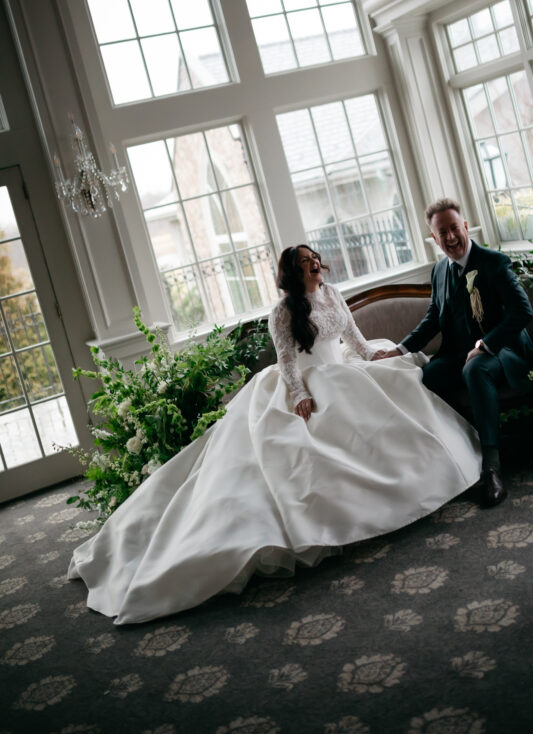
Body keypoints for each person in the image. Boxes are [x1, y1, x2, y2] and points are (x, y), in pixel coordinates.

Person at [68, 245, 481, 624]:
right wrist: (299, 393)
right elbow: (286, 362)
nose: (312, 264)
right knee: (302, 448)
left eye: (313, 257)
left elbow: (356, 342)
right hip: (306, 382)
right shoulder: (283, 312)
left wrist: (385, 355)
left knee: (398, 390)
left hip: (344, 372)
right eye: (303, 262)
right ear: (291, 273)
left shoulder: (333, 293)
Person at [381, 199, 533, 507]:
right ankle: (461, 454)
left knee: (474, 369)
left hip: (504, 351)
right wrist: (399, 349)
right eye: (442, 233)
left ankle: (491, 468)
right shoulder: (439, 270)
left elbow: (522, 311)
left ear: (465, 226)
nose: (450, 238)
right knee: (427, 376)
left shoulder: (494, 262)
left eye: (454, 228)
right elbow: (433, 318)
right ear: (434, 239)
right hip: (459, 354)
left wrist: (484, 345)